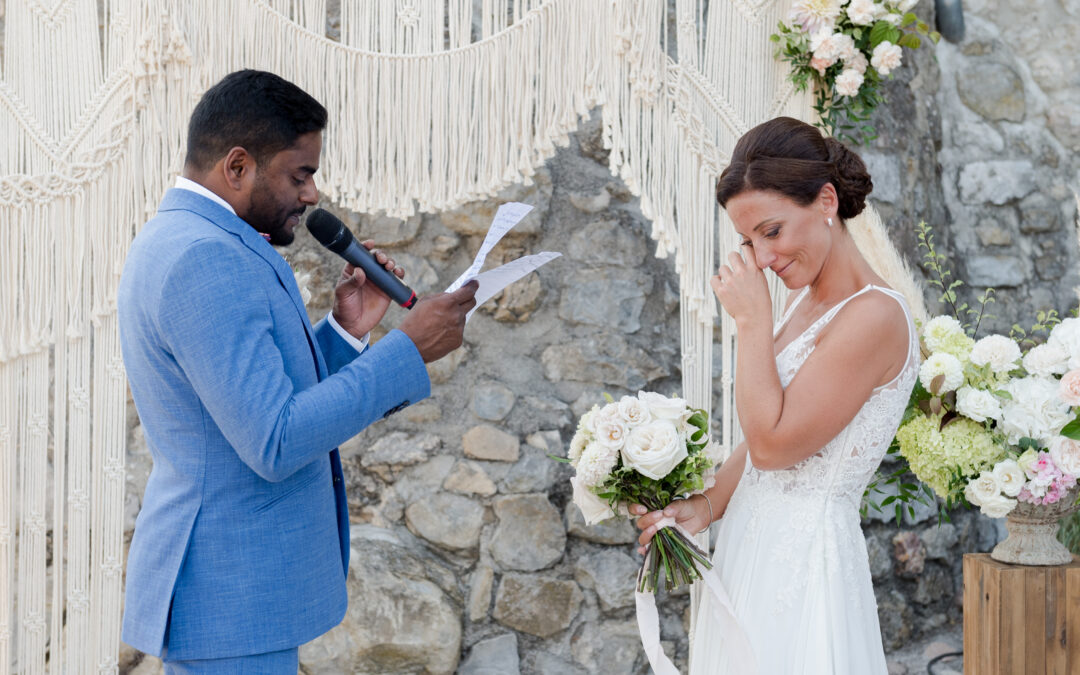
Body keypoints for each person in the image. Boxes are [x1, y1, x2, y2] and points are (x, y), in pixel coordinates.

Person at [118, 69, 478, 673]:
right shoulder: (206, 257)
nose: (311, 195)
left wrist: (343, 335)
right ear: (238, 167)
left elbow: (251, 401)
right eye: (300, 173)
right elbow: (274, 441)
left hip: (235, 598)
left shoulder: (187, 238)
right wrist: (406, 352)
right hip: (230, 597)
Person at [633, 116, 918, 674]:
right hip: (749, 549)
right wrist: (704, 507)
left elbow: (774, 446)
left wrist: (751, 324)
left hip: (806, 565)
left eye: (772, 231)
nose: (762, 258)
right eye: (748, 241)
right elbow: (758, 446)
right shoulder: (803, 303)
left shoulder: (875, 315)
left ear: (826, 200)